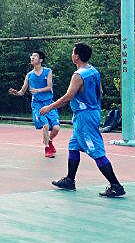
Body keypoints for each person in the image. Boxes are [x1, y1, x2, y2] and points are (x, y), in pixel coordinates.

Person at [40, 42, 125, 198]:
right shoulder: (93, 71)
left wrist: (49, 107)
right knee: (73, 145)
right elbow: (100, 91)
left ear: (77, 56)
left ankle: (116, 186)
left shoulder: (78, 75)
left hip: (85, 117)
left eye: (73, 52)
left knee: (96, 151)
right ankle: (69, 180)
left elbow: (68, 96)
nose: (72, 54)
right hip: (89, 113)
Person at [9, 51, 61, 158]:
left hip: (49, 104)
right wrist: (16, 93)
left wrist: (38, 90)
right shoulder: (29, 75)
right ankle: (47, 148)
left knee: (56, 128)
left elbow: (49, 87)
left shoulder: (48, 71)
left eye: (35, 56)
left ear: (40, 60)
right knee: (45, 125)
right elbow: (22, 92)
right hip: (37, 105)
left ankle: (49, 141)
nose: (32, 58)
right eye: (31, 56)